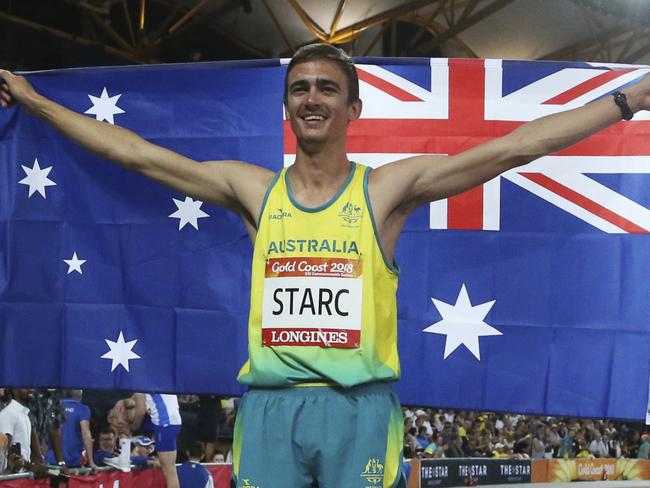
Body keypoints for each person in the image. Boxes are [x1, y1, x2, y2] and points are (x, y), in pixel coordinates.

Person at [2, 43, 650, 488]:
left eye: (327, 89)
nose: (312, 98)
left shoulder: (385, 192)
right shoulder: (254, 191)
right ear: (287, 108)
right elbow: (137, 155)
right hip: (271, 411)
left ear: (352, 109)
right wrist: (36, 103)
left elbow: (517, 146)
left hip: (358, 411)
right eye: (300, 89)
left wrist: (633, 98)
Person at [59, 389, 97, 469]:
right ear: (81, 392)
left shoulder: (55, 406)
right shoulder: (82, 409)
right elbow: (85, 433)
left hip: (52, 460)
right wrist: (91, 462)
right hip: (70, 462)